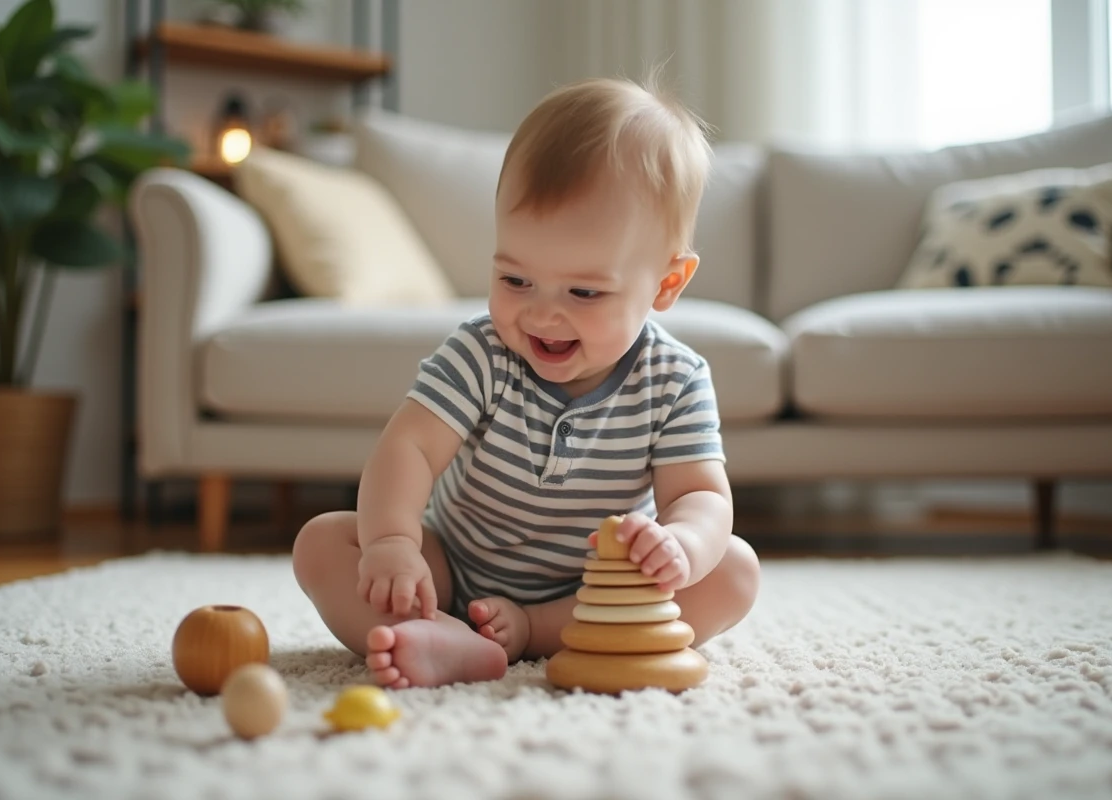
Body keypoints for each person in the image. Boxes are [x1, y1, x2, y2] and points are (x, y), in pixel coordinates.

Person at [292, 73, 761, 689]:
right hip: (452, 571)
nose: (541, 314)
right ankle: (439, 631)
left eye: (584, 292)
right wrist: (392, 543)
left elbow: (702, 496)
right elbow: (407, 447)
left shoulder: (673, 380)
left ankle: (537, 633)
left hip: (599, 596)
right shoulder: (482, 351)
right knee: (322, 545)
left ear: (667, 284)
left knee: (733, 571)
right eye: (515, 280)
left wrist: (681, 545)